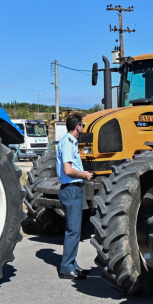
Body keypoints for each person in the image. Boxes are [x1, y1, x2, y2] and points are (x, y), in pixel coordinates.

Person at [56, 113, 93, 280]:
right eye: (83, 125)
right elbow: (68, 170)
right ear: (78, 126)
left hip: (72, 189)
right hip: (72, 189)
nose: (83, 128)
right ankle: (66, 268)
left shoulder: (69, 142)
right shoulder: (68, 143)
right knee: (73, 230)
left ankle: (72, 264)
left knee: (75, 230)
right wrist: (84, 175)